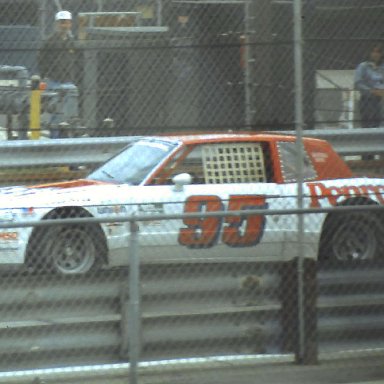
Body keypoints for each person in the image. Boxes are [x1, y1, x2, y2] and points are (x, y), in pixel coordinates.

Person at [38, 10, 79, 138]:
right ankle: (54, 138)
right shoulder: (49, 41)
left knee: (68, 111)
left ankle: (65, 137)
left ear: (70, 24)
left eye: (66, 23)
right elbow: (41, 60)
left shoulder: (72, 42)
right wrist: (45, 76)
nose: (64, 26)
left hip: (68, 81)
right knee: (55, 111)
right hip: (54, 81)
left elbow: (77, 61)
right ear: (57, 24)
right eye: (62, 23)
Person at [355, 44, 384, 128]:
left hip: (382, 96)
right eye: (373, 52)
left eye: (378, 52)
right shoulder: (363, 66)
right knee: (370, 118)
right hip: (369, 97)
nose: (376, 54)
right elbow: (358, 83)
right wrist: (372, 91)